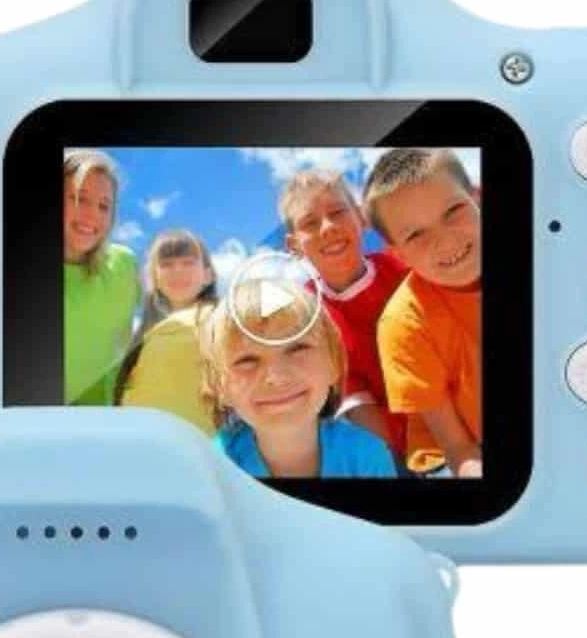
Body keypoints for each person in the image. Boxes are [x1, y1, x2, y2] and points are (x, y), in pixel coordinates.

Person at [362, 147, 482, 478]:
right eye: (415, 234)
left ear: (476, 198)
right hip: (455, 453)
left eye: (453, 211)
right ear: (399, 255)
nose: (444, 241)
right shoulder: (403, 323)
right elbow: (458, 449)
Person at [199, 281, 397, 480]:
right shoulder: (210, 469)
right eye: (247, 360)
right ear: (218, 386)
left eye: (297, 348)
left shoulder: (367, 456)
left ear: (334, 362)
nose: (277, 377)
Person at [279, 167, 408, 458]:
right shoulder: (307, 315)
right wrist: (401, 457)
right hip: (396, 447)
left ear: (361, 217)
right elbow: (354, 399)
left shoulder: (402, 266)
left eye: (337, 212)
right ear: (293, 245)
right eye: (309, 223)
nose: (328, 227)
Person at [114, 230, 218, 433]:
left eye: (188, 263)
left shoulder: (221, 319)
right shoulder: (144, 339)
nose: (177, 271)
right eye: (166, 264)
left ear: (208, 275)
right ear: (154, 278)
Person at [63, 149, 140, 405]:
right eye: (79, 198)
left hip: (105, 417)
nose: (92, 215)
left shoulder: (123, 264)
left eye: (104, 206)